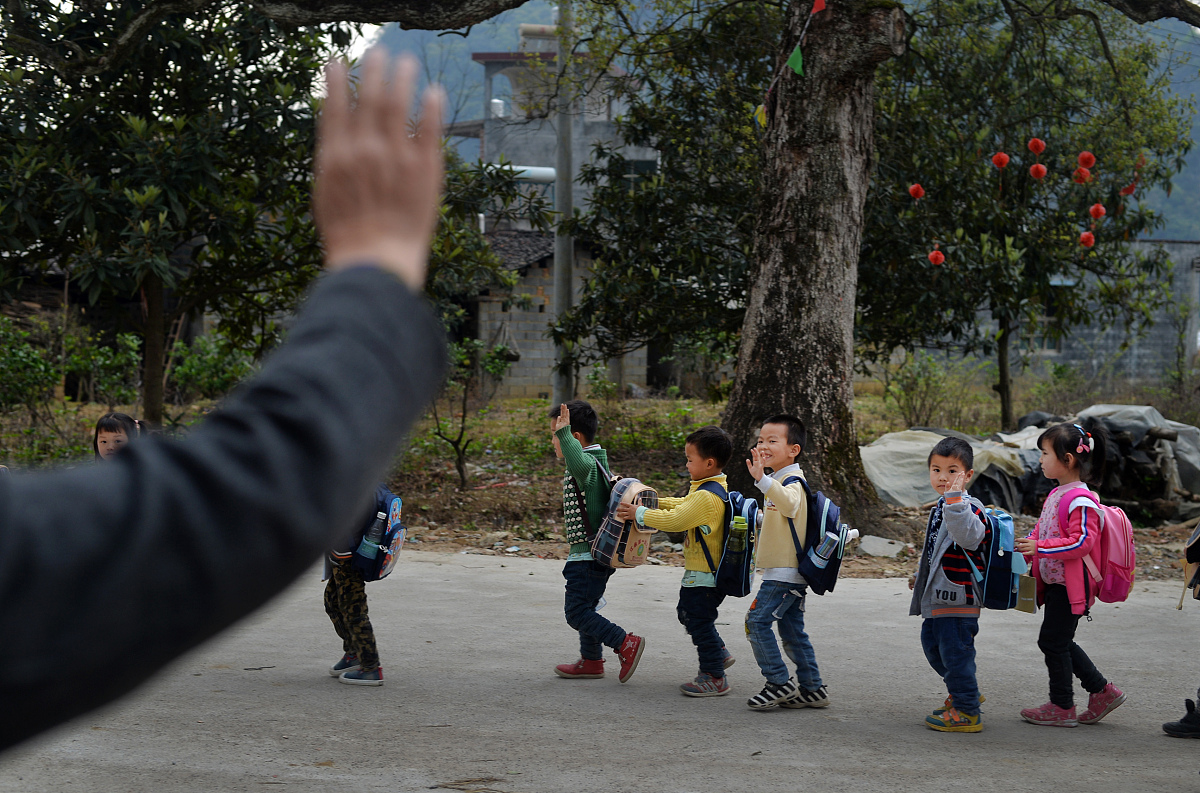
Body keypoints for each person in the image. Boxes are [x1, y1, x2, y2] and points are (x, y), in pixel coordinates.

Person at [0, 52, 447, 752]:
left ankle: (365, 657)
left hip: (343, 541)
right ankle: (359, 654)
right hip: (330, 530)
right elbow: (230, 504)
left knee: (345, 598)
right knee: (339, 598)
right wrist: (377, 267)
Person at [1015, 421, 1126, 727]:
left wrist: (1040, 548)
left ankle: (1062, 706)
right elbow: (1043, 529)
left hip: (1071, 586)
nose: (1040, 459)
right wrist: (1025, 545)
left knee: (1052, 641)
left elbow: (1082, 542)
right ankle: (1102, 691)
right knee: (1059, 640)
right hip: (1055, 583)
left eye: (1045, 453)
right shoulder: (1057, 494)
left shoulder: (1081, 499)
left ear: (1068, 460)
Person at [616, 425, 733, 697]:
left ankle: (714, 674)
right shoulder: (709, 489)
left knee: (697, 618)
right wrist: (655, 501)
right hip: (702, 574)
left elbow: (676, 521)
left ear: (709, 463)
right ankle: (717, 650)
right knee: (689, 614)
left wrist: (640, 513)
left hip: (705, 575)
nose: (686, 464)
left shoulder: (706, 496)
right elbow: (682, 505)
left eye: (690, 460)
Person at [549, 401, 645, 683]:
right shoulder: (596, 465)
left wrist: (564, 434)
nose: (553, 442)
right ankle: (591, 660)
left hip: (586, 558)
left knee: (576, 613)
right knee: (586, 608)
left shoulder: (586, 465)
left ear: (574, 438)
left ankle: (624, 642)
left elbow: (576, 459)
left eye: (555, 436)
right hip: (592, 555)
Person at [742, 415, 829, 711]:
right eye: (761, 440)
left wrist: (762, 480)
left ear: (793, 449)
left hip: (784, 574)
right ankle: (812, 688)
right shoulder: (779, 481)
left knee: (755, 623)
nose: (763, 446)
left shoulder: (791, 481)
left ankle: (778, 683)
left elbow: (790, 504)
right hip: (788, 573)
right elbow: (784, 516)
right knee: (792, 632)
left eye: (772, 441)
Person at [908, 437, 991, 732]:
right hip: (938, 594)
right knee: (932, 646)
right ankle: (963, 687)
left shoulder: (969, 507)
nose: (943, 477)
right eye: (936, 469)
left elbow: (970, 537)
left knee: (956, 653)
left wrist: (956, 504)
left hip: (959, 598)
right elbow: (935, 551)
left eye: (952, 470)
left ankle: (967, 710)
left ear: (968, 475)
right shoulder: (941, 506)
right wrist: (922, 577)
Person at [325, 484, 398, 686]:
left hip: (348, 556)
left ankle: (370, 667)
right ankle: (354, 652)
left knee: (353, 610)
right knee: (332, 601)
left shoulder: (345, 481)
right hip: (344, 554)